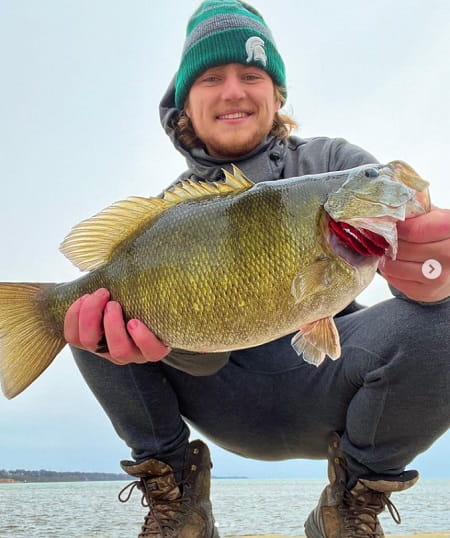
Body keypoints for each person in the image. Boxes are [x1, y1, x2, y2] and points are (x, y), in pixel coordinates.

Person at [64, 1, 450, 536]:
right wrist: (164, 339)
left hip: (333, 383)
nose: (233, 91)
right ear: (182, 104)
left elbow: (415, 270)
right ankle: (176, 499)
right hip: (225, 398)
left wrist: (435, 271)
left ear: (277, 94)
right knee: (90, 310)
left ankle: (352, 503)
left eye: (251, 74)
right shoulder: (173, 214)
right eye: (210, 77)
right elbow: (194, 357)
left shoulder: (339, 167)